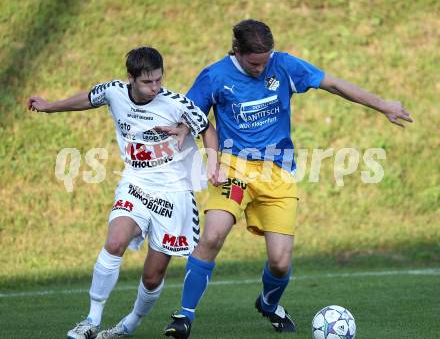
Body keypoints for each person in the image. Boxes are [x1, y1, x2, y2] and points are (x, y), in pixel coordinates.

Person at [163, 19, 413, 338]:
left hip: (278, 173)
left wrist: (383, 105)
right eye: (254, 63)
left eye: (265, 60)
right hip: (234, 169)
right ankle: (183, 316)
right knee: (213, 235)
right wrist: (185, 135)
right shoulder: (215, 76)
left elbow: (333, 83)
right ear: (237, 52)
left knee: (280, 262)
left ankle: (268, 304)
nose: (261, 68)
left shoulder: (283, 66)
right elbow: (192, 114)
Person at [28, 46, 224, 339]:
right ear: (130, 78)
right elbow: (89, 98)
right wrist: (50, 105)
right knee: (116, 240)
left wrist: (213, 164)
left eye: (159, 80)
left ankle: (129, 324)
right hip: (136, 182)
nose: (155, 87)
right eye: (147, 82)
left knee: (152, 274)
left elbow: (207, 128)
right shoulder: (115, 92)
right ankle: (91, 320)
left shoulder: (175, 103)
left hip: (175, 192)